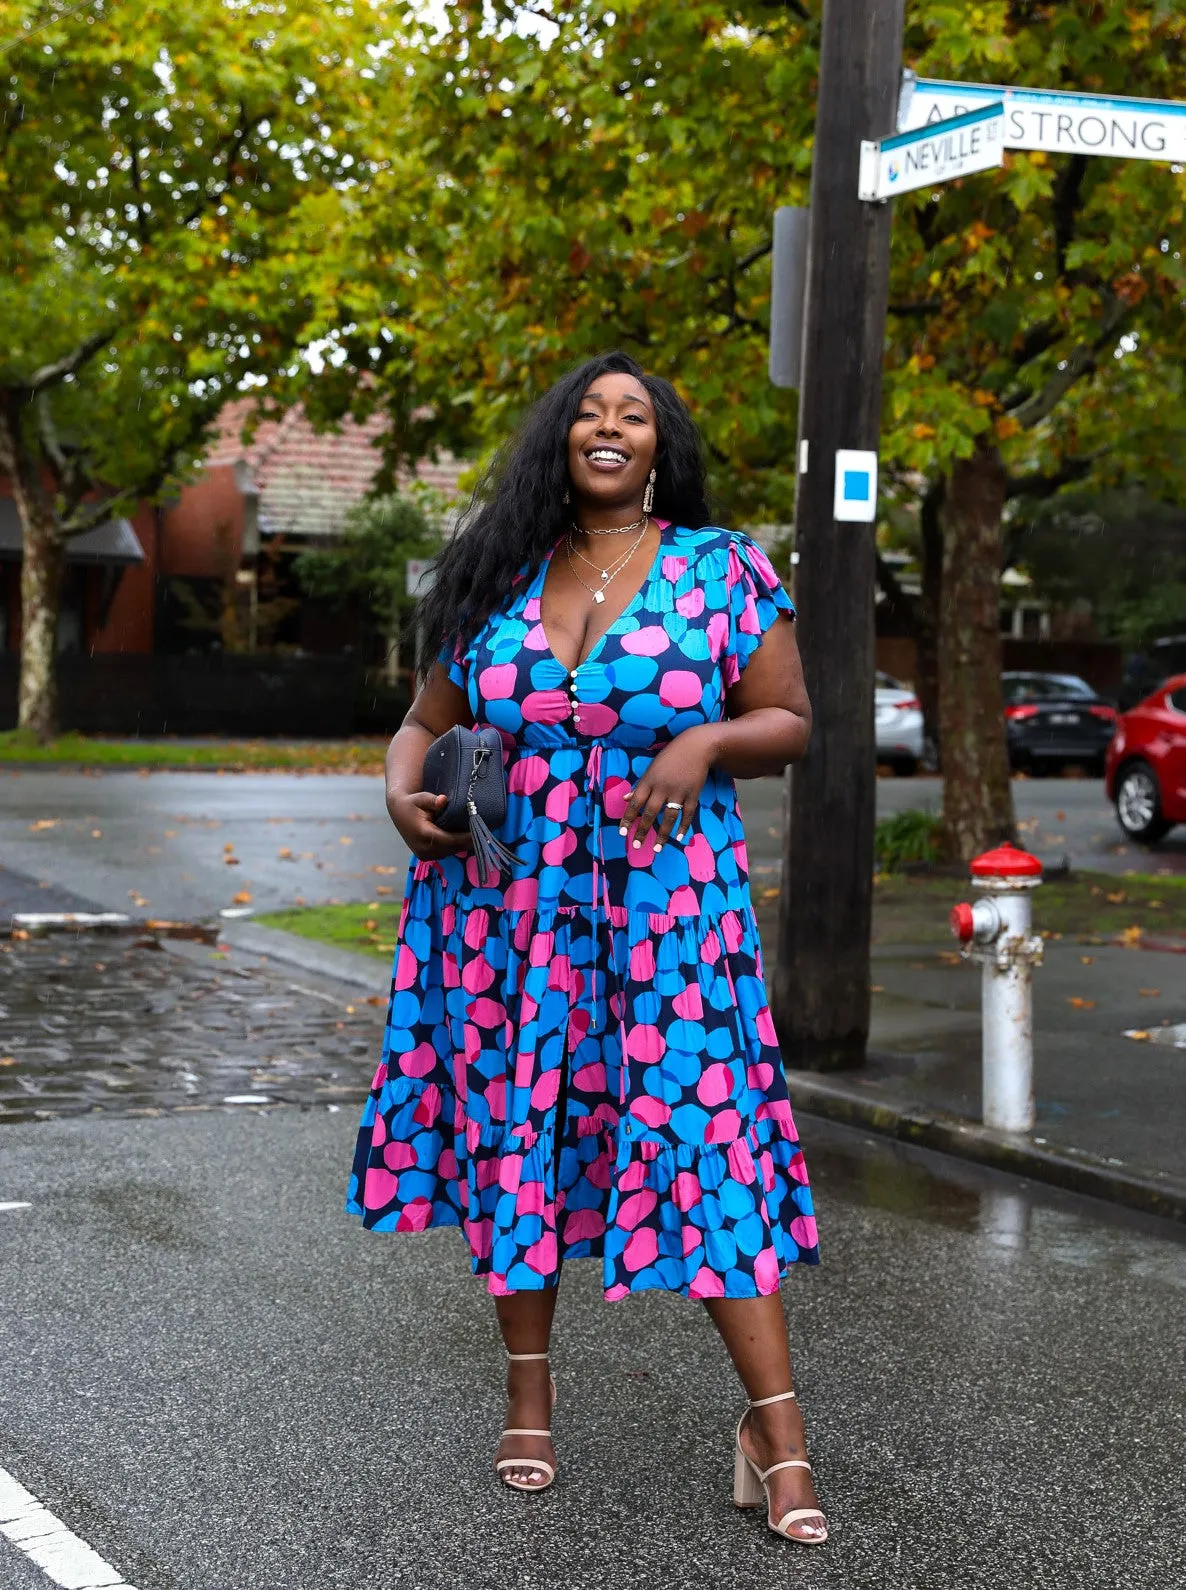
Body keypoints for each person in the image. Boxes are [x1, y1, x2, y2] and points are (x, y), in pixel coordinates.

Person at [346, 351, 825, 1544]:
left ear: (662, 445)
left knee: (702, 1145)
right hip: (503, 916)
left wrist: (705, 742)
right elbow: (423, 723)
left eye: (637, 415)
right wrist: (400, 798)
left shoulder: (721, 570)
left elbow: (793, 722)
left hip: (668, 917)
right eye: (591, 414)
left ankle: (776, 1432)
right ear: (559, 439)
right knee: (525, 1136)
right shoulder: (496, 570)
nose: (611, 429)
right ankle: (527, 1396)